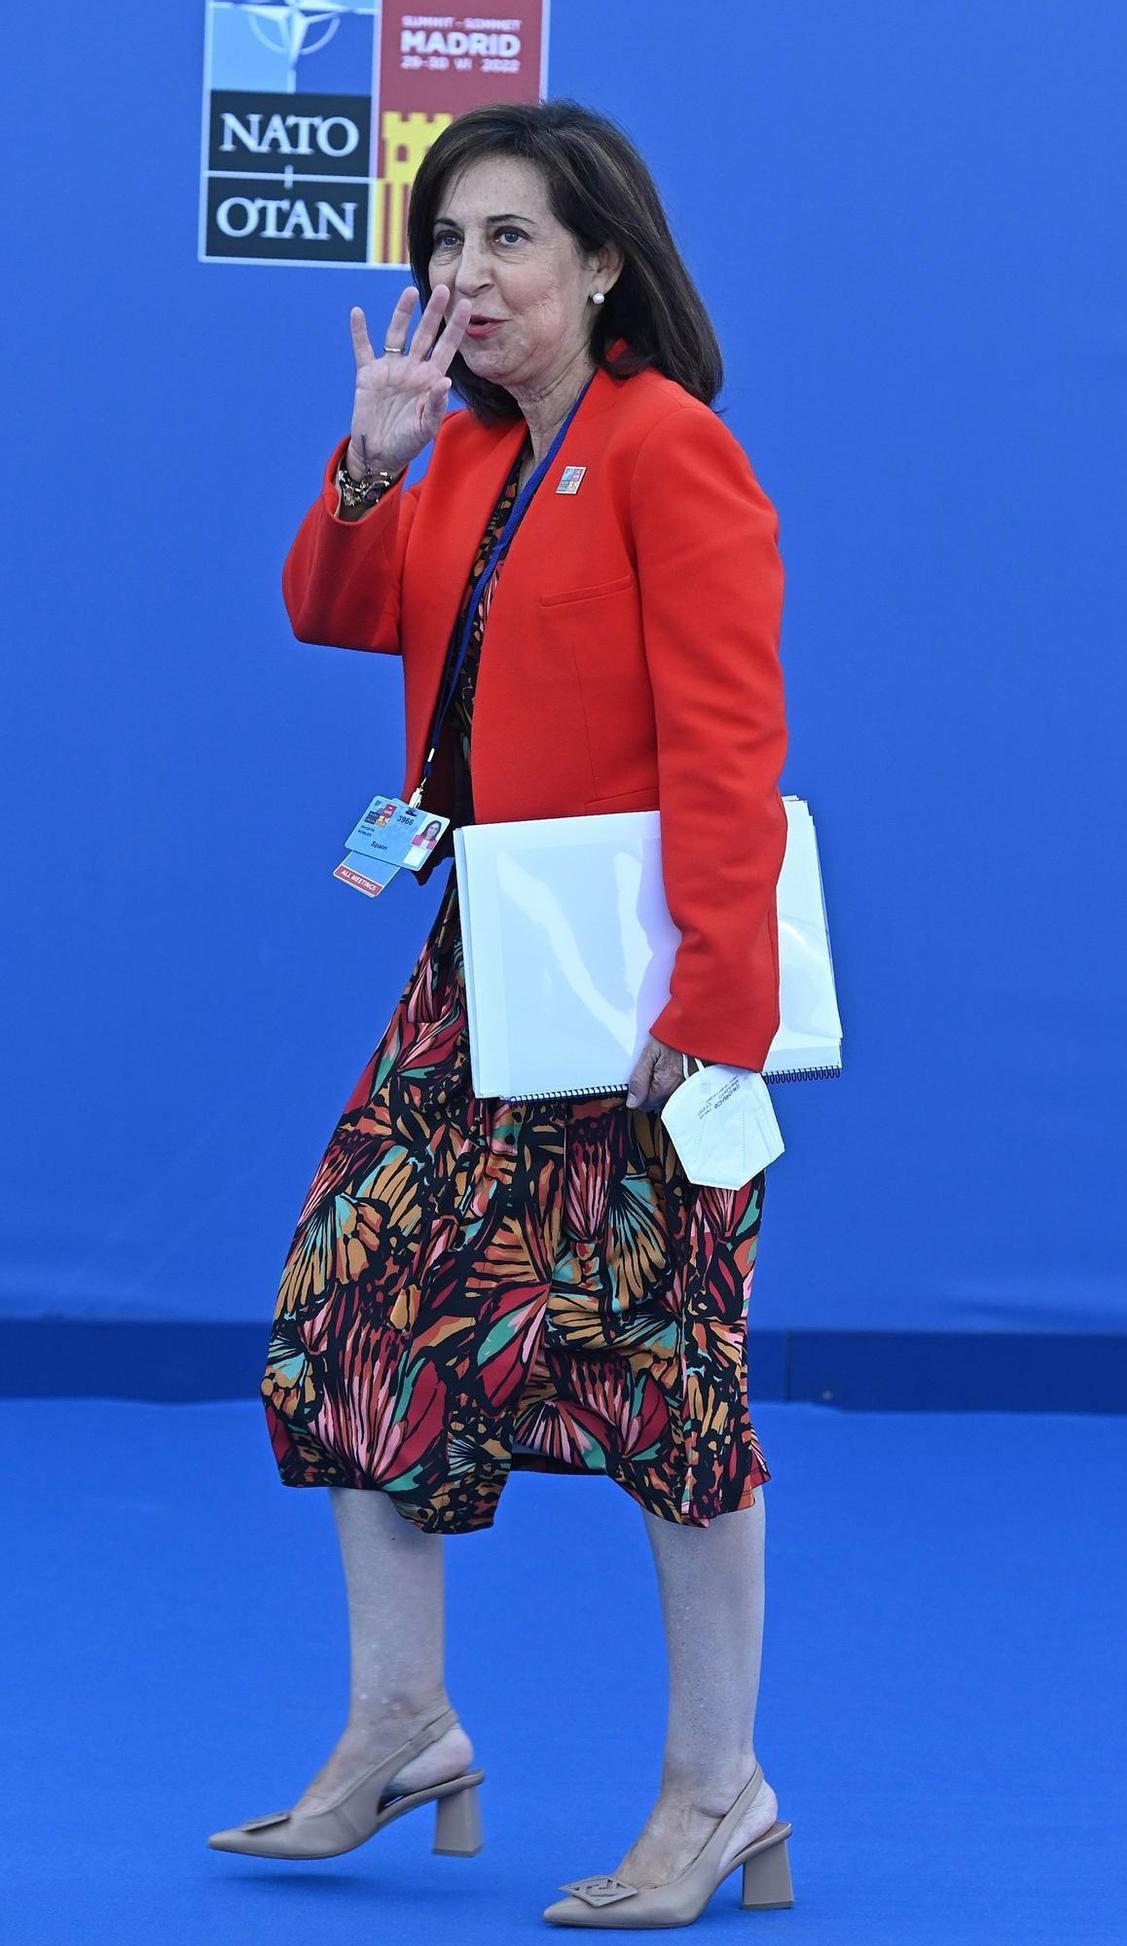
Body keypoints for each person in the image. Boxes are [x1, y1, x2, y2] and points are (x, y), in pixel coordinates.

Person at [208, 99, 793, 1927]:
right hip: (483, 971)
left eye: (510, 241)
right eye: (445, 245)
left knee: (668, 1381)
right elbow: (332, 609)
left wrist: (715, 1008)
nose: (466, 278)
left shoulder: (671, 449)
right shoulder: (456, 452)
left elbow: (727, 747)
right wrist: (369, 461)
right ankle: (404, 1722)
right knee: (352, 1309)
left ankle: (719, 1793)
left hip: (641, 999)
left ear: (604, 262)